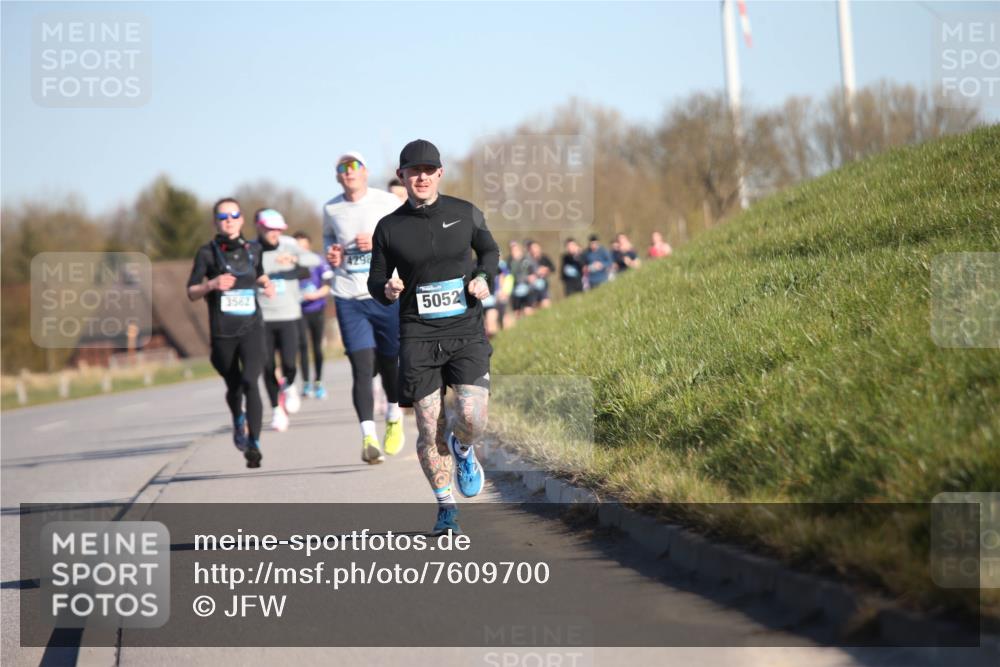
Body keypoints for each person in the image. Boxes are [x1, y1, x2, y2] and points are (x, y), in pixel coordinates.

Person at [368, 139, 499, 536]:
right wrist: (386, 291)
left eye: (429, 170)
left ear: (440, 173)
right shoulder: (389, 228)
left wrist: (483, 278)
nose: (421, 177)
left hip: (465, 330)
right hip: (418, 335)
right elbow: (375, 280)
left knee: (473, 417)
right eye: (413, 171)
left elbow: (490, 252)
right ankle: (446, 508)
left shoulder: (465, 213)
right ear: (402, 176)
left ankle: (462, 449)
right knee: (428, 427)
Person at [323, 151, 406, 464]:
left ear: (365, 172)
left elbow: (406, 236)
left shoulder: (386, 202)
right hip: (348, 296)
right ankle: (368, 436)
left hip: (384, 294)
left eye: (354, 165)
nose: (349, 171)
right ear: (337, 176)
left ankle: (394, 416)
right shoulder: (331, 208)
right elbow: (328, 242)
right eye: (342, 167)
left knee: (390, 363)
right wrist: (330, 256)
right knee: (361, 366)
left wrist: (378, 241)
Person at [187, 198, 275, 468]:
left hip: (252, 327)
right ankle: (238, 418)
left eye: (234, 215)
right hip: (223, 332)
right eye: (223, 216)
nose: (229, 220)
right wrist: (211, 284)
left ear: (241, 220)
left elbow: (258, 274)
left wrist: (267, 284)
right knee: (235, 386)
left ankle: (254, 444)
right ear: (216, 221)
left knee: (251, 381)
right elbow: (191, 291)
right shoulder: (207, 253)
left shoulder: (254, 249)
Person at [256, 209, 319, 432]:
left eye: (277, 229)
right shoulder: (252, 248)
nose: (274, 233)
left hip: (289, 314)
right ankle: (276, 410)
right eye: (269, 228)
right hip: (262, 317)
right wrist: (268, 271)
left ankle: (290, 386)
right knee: (267, 365)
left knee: (290, 363)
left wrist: (294, 258)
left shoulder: (288, 244)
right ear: (259, 227)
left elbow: (313, 259)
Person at [293, 231, 333, 399]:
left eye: (303, 246)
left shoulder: (318, 260)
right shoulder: (290, 263)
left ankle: (318, 381)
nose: (301, 249)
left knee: (316, 347)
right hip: (298, 311)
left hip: (316, 308)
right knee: (302, 346)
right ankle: (306, 383)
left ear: (308, 246)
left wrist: (315, 295)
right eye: (297, 246)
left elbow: (328, 284)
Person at [507, 240, 537, 318]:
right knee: (517, 314)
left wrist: (532, 277)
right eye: (512, 250)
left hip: (528, 289)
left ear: (519, 250)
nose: (514, 252)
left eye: (515, 250)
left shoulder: (527, 259)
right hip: (515, 292)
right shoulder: (509, 262)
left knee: (528, 311)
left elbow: (534, 272)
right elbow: (506, 277)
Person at [527, 240, 555, 309]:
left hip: (543, 286)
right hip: (532, 288)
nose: (534, 250)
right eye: (532, 249)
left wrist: (545, 270)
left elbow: (553, 268)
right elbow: (525, 274)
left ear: (539, 248)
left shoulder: (545, 258)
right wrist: (531, 276)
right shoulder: (527, 261)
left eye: (535, 248)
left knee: (545, 303)